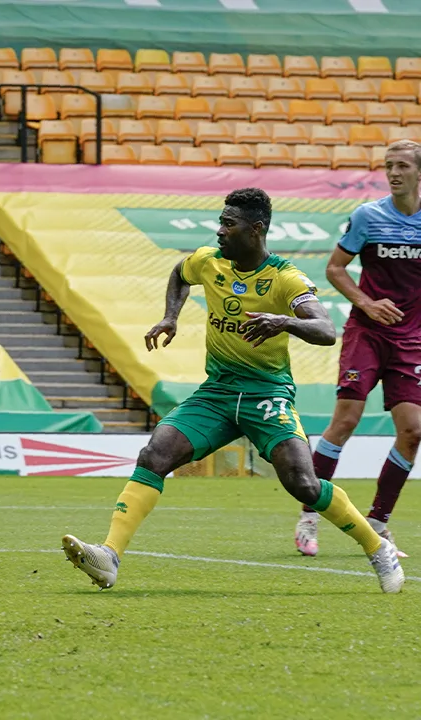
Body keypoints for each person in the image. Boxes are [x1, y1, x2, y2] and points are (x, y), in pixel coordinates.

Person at [62, 188, 404, 593]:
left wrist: (284, 321)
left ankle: (376, 547)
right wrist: (171, 316)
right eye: (221, 222)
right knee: (154, 455)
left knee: (303, 483)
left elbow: (326, 330)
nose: (220, 231)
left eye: (229, 223)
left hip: (267, 394)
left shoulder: (285, 278)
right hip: (218, 393)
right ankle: (110, 556)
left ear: (255, 229)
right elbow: (179, 273)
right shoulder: (209, 261)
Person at [293, 139, 421, 558]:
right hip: (366, 334)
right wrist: (366, 303)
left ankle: (379, 524)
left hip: (411, 340)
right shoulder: (368, 216)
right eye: (388, 166)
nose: (394, 173)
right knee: (345, 421)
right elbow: (335, 268)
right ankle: (309, 516)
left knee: (414, 430)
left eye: (402, 165)